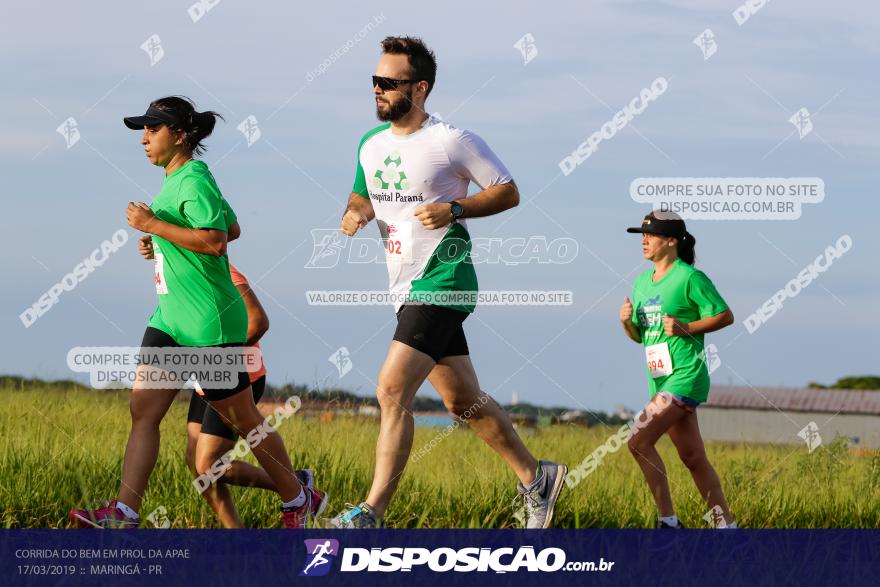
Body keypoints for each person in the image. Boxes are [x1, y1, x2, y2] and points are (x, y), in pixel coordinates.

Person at [330, 36, 566, 529]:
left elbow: (508, 191)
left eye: (388, 82)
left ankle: (371, 513)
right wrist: (354, 214)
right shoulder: (369, 145)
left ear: (420, 88)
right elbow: (363, 197)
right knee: (463, 402)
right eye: (374, 81)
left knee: (392, 389)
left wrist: (455, 208)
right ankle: (536, 476)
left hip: (444, 277)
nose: (377, 89)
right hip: (403, 283)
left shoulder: (451, 140)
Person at [69, 96, 325, 529]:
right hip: (169, 320)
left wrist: (154, 227)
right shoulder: (176, 181)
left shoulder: (194, 178)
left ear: (180, 135)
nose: (144, 138)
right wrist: (164, 241)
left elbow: (217, 240)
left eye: (153, 129)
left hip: (209, 322)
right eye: (143, 130)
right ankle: (124, 513)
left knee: (244, 418)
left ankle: (298, 498)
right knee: (144, 412)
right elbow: (233, 226)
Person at [619, 211, 736, 529]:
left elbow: (725, 316)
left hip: (686, 375)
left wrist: (687, 327)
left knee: (638, 442)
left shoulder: (690, 278)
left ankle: (667, 522)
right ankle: (726, 527)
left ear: (670, 241)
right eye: (641, 235)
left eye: (650, 235)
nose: (643, 241)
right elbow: (641, 338)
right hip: (660, 380)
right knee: (693, 458)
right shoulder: (643, 281)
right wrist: (626, 322)